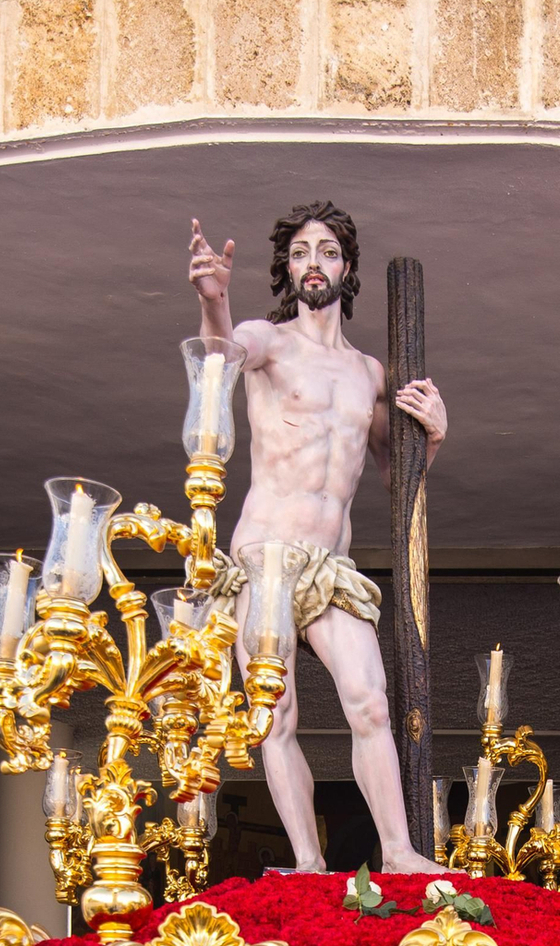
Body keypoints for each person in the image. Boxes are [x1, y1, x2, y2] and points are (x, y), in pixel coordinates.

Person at [189, 203, 446, 875]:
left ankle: (398, 853)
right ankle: (308, 863)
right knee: (275, 716)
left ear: (345, 267)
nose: (313, 263)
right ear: (287, 269)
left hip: (331, 565)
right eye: (301, 252)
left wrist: (434, 436)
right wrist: (214, 302)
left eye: (326, 251)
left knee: (369, 699)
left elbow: (398, 474)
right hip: (264, 557)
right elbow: (219, 357)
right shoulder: (267, 340)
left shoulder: (368, 374)